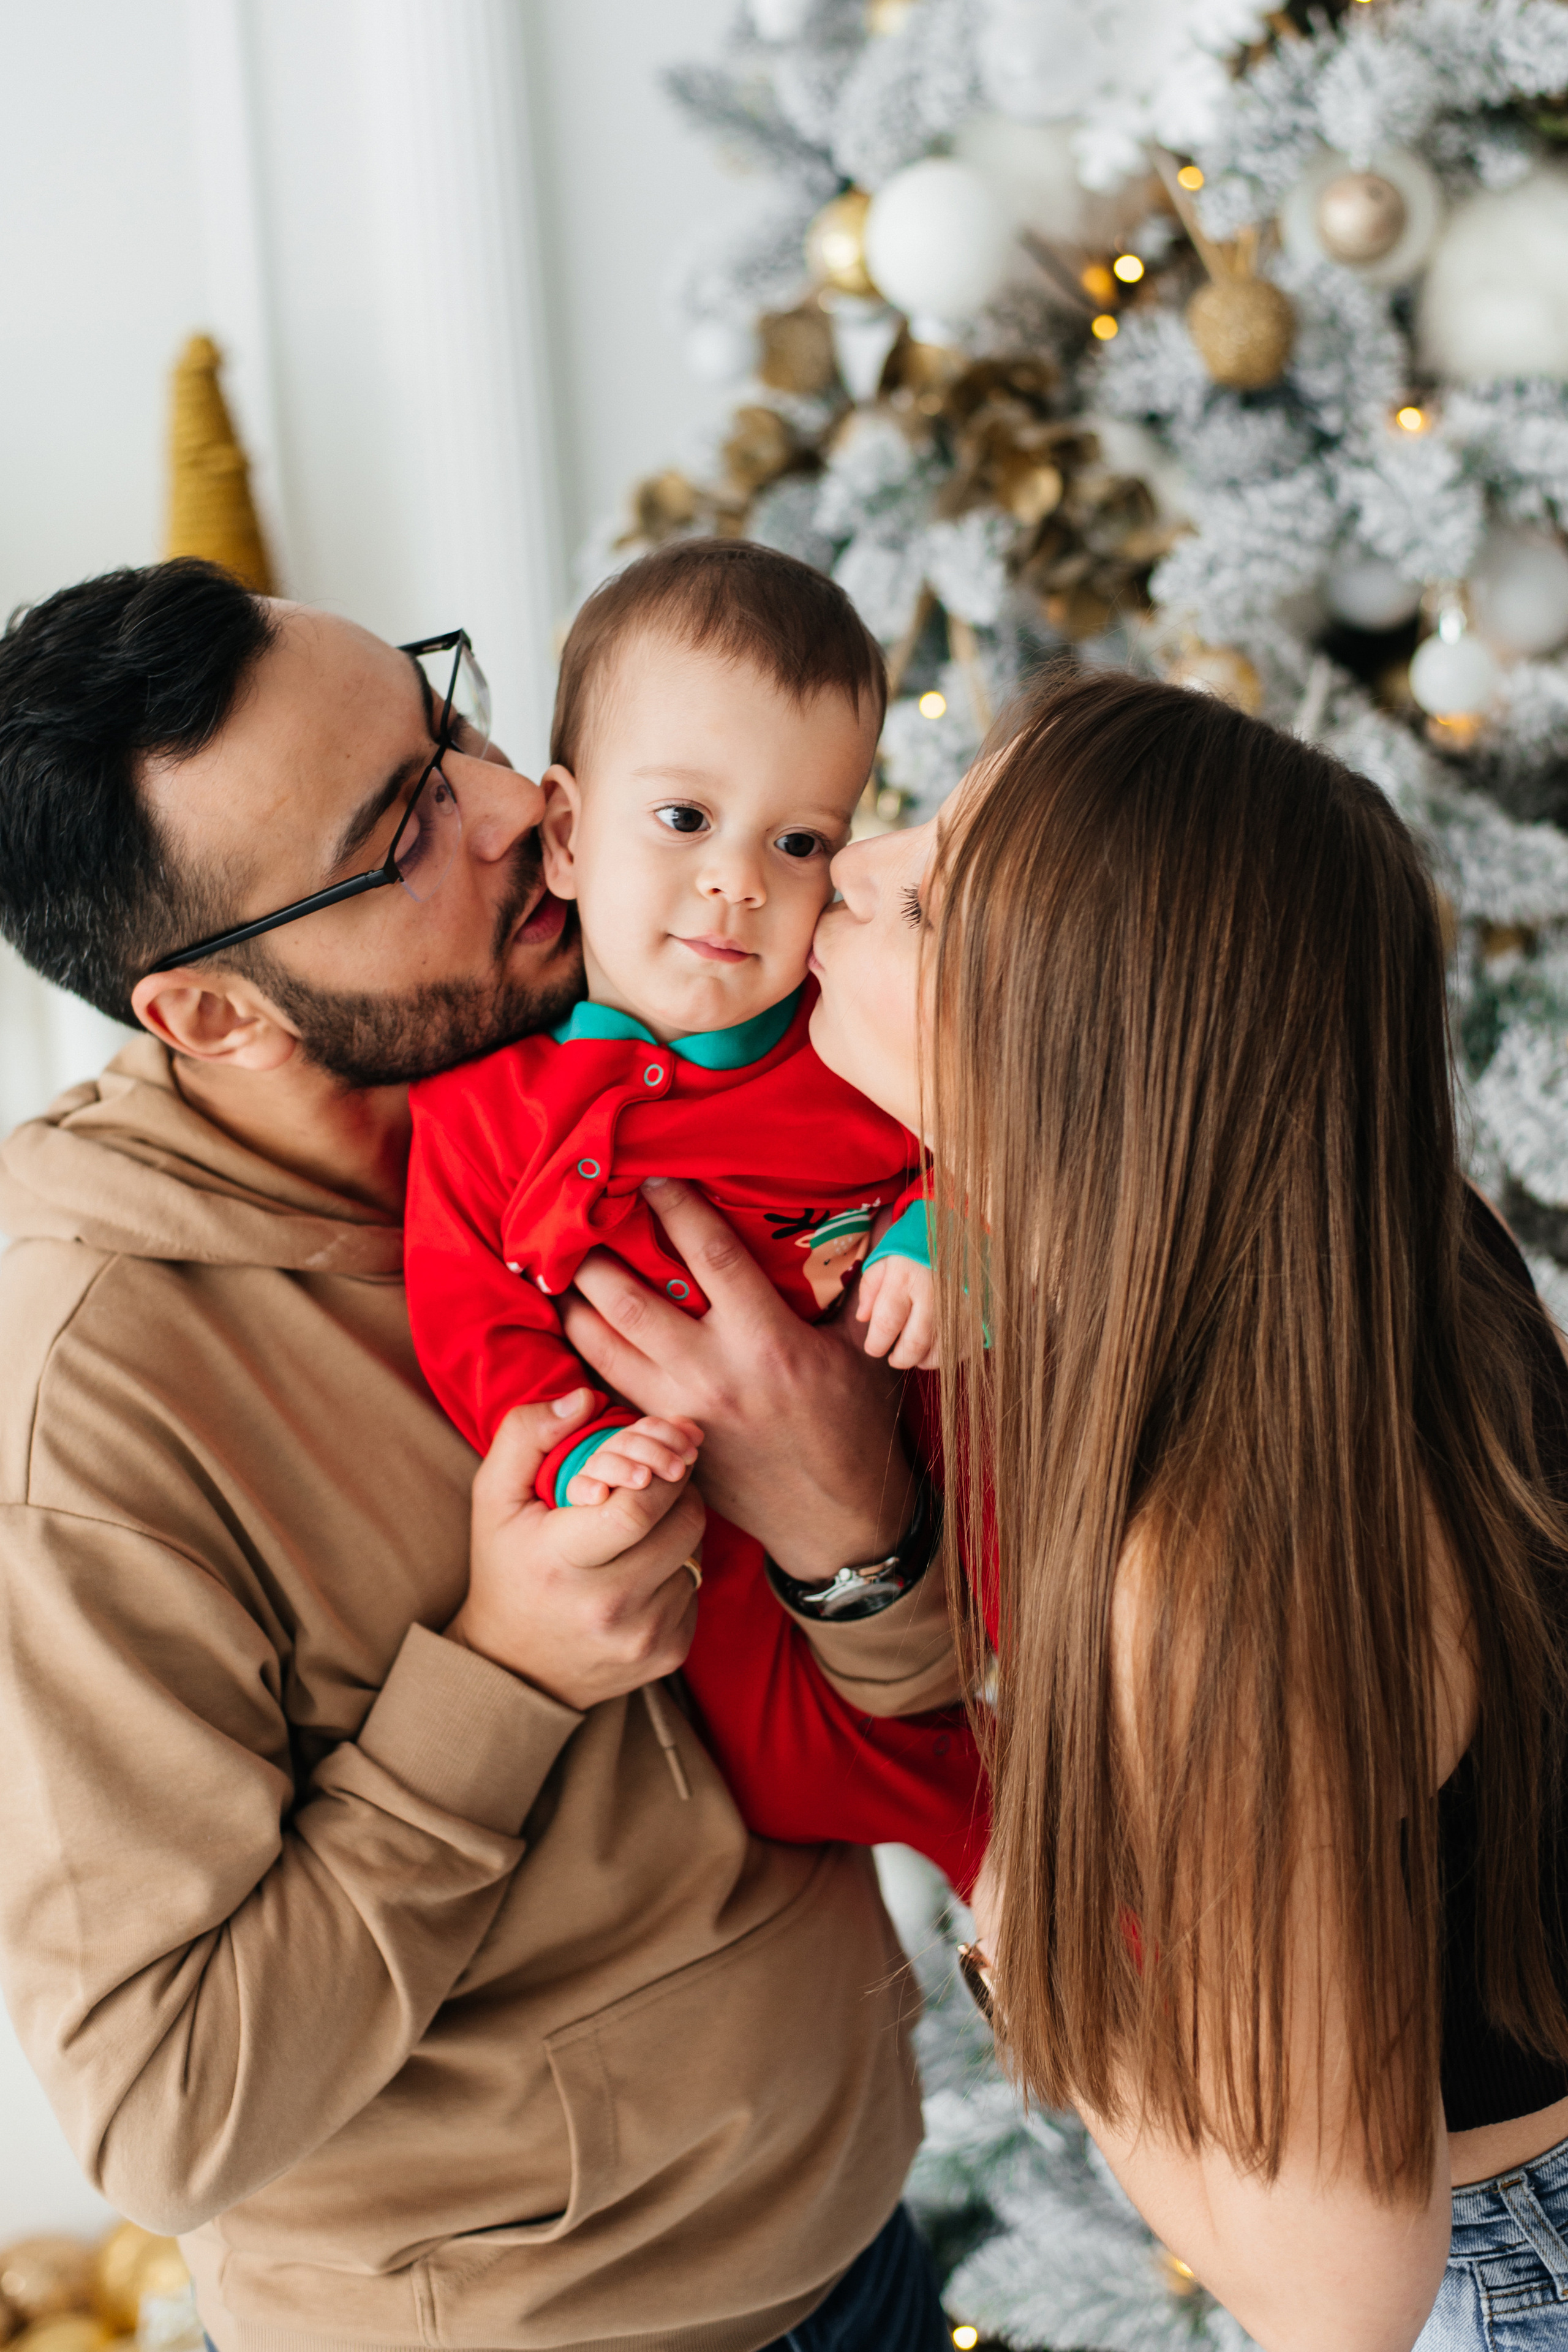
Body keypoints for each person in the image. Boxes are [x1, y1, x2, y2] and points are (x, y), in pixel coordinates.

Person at [0, 558, 962, 2352]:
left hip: (862, 2245)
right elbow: (168, 2115)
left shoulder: (665, 1088)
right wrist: (504, 1680)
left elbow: (915, 1687)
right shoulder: (82, 1415)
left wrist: (856, 1530)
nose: (530, 806)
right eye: (402, 830)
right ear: (211, 1012)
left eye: (450, 721)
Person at [788, 664, 1568, 2350]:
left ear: (1064, 1061)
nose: (849, 864)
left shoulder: (1216, 1571)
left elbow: (1343, 2290)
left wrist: (1025, 1959)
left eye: (921, 901)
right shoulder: (1396, 1240)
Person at [404, 539, 982, 1891]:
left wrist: (950, 1237)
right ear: (562, 832)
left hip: (959, 1505)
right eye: (684, 822)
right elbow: (469, 1318)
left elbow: (1007, 1148)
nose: (740, 882)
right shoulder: (482, 1109)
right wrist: (572, 1449)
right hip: (708, 1551)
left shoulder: (853, 1042)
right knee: (790, 1776)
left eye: (799, 843)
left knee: (1038, 1760)